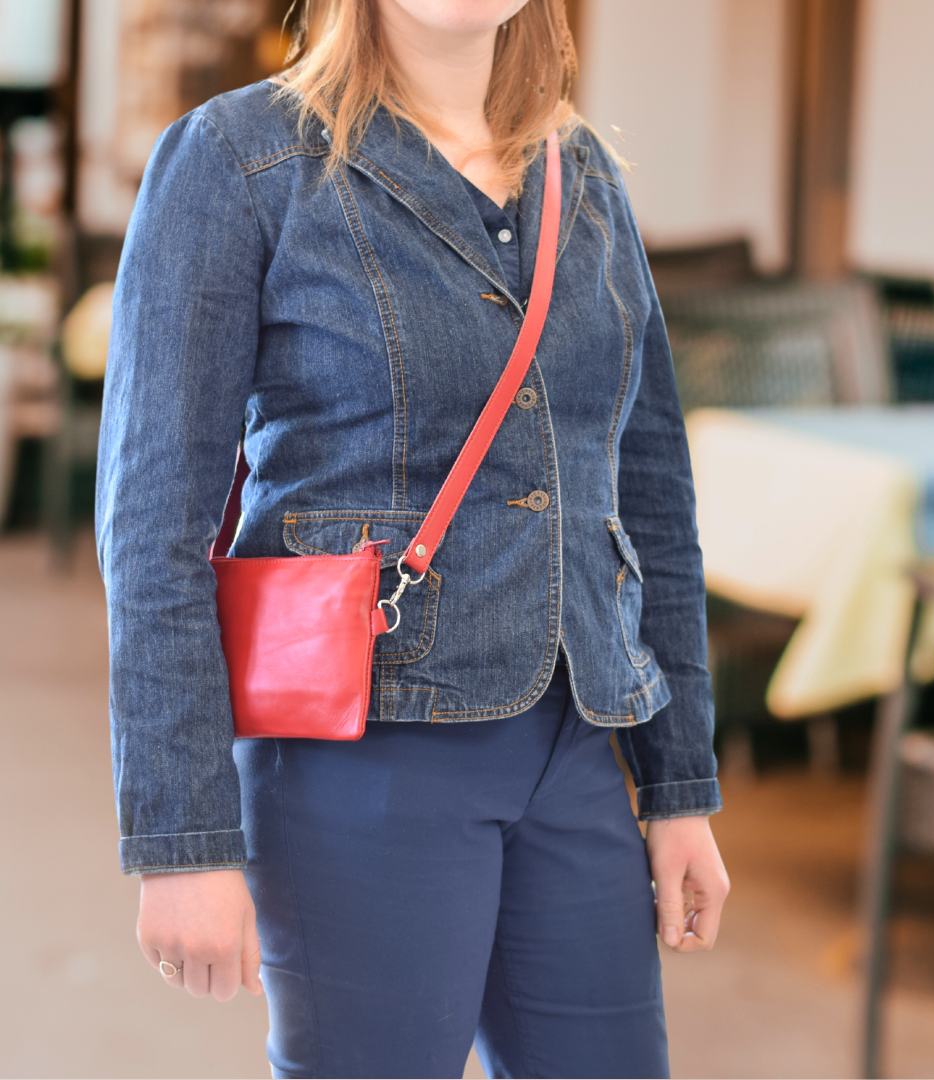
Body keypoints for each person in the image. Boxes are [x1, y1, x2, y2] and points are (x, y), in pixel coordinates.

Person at [97, 1, 730, 1076]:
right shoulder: (240, 161)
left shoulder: (584, 178)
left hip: (579, 743)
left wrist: (679, 788)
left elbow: (651, 492)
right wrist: (181, 842)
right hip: (359, 750)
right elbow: (154, 524)